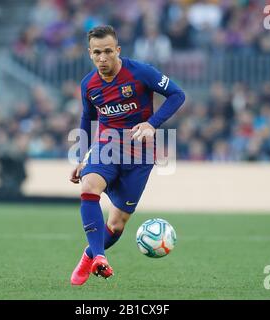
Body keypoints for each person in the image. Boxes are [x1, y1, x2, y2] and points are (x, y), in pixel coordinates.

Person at [69, 25, 185, 285]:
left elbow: (178, 94)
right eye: (97, 52)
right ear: (89, 53)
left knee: (117, 224)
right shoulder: (88, 85)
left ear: (117, 50)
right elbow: (88, 117)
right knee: (89, 186)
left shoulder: (140, 72)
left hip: (140, 155)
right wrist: (80, 157)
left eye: (108, 51)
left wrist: (152, 124)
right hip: (107, 147)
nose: (103, 58)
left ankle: (89, 256)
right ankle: (100, 256)